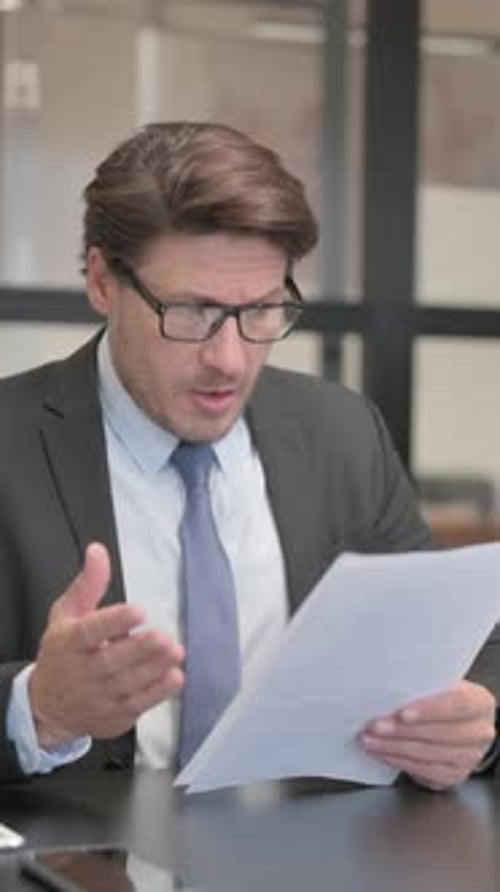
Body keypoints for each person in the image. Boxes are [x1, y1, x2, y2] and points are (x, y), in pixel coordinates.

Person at [0, 122, 497, 789]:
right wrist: (37, 710)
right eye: (191, 312)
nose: (228, 360)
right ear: (101, 281)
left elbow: (464, 646)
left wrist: (471, 718)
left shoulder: (341, 431)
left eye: (263, 311)